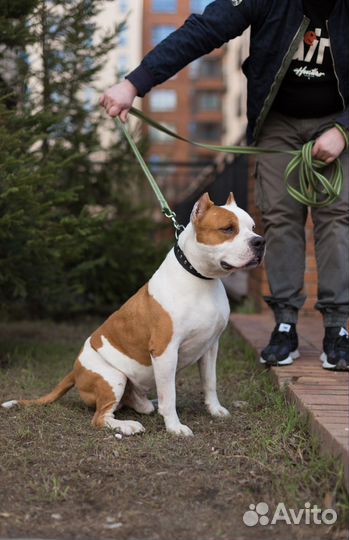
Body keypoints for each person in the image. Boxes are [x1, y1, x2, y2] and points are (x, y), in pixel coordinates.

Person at [99, 0, 349, 371]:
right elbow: (202, 31)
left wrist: (343, 129)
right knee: (280, 218)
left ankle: (338, 329)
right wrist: (134, 83)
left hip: (337, 117)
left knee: (337, 216)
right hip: (276, 122)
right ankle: (285, 325)